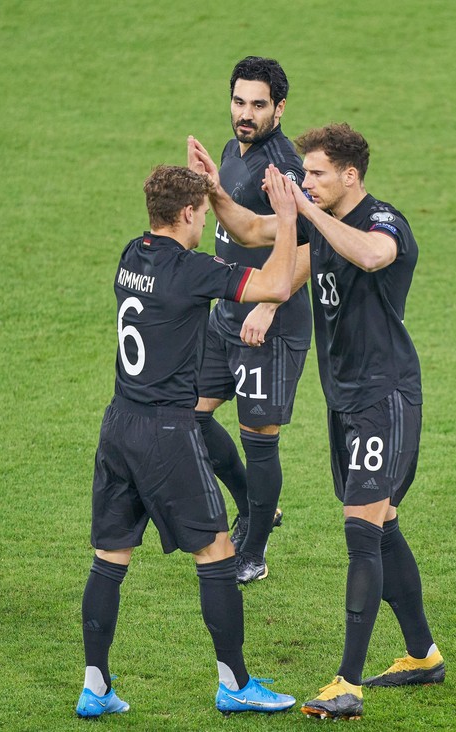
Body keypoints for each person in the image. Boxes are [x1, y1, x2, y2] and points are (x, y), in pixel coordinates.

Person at [188, 124, 444, 721]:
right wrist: (215, 189)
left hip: (386, 396)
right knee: (383, 527)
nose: (307, 182)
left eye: (318, 174)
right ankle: (422, 654)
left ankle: (346, 683)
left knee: (361, 530)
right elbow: (252, 231)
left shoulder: (384, 222)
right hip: (345, 401)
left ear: (350, 175)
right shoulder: (320, 224)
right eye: (305, 174)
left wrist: (303, 209)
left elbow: (373, 256)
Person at [75, 165, 299, 719]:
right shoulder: (189, 270)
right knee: (217, 551)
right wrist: (290, 220)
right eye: (201, 212)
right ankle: (235, 683)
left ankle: (95, 686)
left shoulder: (133, 254)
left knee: (110, 556)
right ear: (184, 215)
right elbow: (273, 284)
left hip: (118, 422)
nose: (204, 222)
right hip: (166, 432)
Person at [194, 56, 312, 585]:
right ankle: (256, 506)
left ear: (279, 109)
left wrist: (269, 303)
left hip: (270, 324)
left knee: (257, 439)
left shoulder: (283, 169)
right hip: (227, 314)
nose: (245, 113)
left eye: (258, 105)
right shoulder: (231, 150)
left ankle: (255, 550)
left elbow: (310, 246)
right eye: (239, 101)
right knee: (189, 416)